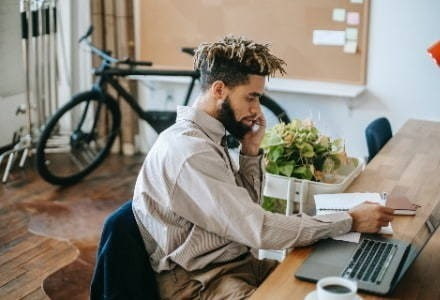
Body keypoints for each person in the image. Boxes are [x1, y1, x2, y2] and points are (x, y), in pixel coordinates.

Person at [132, 36, 394, 299]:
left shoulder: (207, 137)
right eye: (251, 97)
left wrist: (250, 151)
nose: (257, 109)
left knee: (331, 280)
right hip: (201, 282)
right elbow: (259, 229)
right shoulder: (191, 152)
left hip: (236, 263)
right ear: (219, 90)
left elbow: (246, 211)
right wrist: (349, 220)